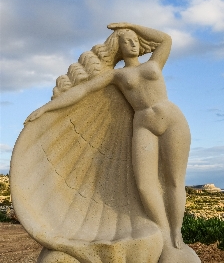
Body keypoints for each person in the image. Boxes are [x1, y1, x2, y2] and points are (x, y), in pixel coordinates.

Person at [24, 22, 191, 257]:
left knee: (174, 181)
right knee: (145, 184)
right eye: (126, 41)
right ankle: (163, 231)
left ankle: (176, 233)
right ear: (118, 48)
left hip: (172, 120)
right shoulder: (117, 75)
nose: (132, 43)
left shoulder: (154, 64)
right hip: (144, 124)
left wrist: (128, 25)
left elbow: (166, 40)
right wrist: (47, 109)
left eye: (135, 40)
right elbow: (82, 91)